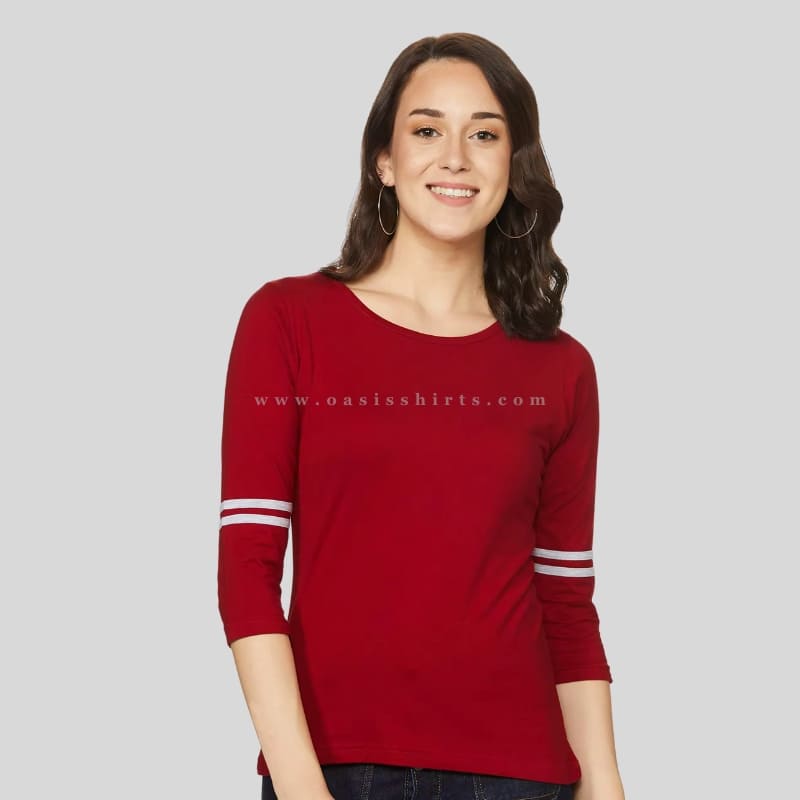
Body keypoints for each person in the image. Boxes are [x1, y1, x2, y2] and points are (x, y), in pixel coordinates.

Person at [217, 32, 626, 800]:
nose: (456, 158)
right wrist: (301, 785)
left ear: (513, 164)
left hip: (520, 777)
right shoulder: (288, 322)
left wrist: (604, 784)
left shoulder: (561, 369)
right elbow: (246, 572)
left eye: (485, 135)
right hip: (336, 770)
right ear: (384, 158)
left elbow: (565, 603)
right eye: (428, 129)